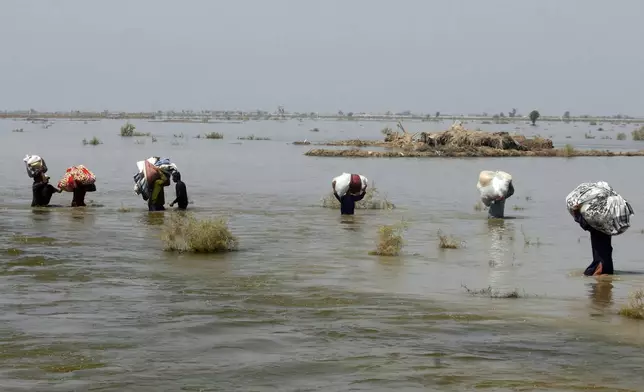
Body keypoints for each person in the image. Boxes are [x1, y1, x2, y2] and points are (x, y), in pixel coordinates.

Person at [573, 207, 613, 276]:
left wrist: (576, 212)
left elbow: (585, 225)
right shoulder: (607, 226)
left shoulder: (597, 227)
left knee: (594, 280)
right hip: (607, 263)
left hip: (600, 264)